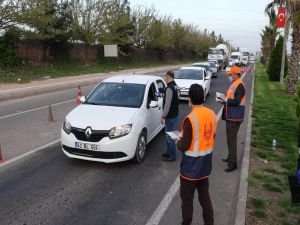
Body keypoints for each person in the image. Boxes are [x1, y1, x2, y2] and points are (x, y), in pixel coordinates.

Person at [177, 84, 217, 225]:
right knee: (204, 198)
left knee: (187, 201)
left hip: (190, 169)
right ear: (203, 97)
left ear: (190, 99)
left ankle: (186, 223)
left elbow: (184, 145)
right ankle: (209, 222)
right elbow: (212, 136)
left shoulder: (190, 119)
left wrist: (178, 141)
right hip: (205, 166)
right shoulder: (212, 114)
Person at [219, 66, 246, 172]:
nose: (230, 76)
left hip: (235, 116)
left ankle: (233, 163)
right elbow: (231, 98)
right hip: (231, 115)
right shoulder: (235, 83)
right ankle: (230, 157)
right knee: (230, 139)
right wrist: (224, 100)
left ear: (236, 74)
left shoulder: (240, 85)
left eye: (231, 74)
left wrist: (225, 99)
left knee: (232, 139)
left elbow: (236, 102)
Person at [161, 70, 179, 161]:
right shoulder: (175, 86)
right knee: (171, 135)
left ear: (168, 76)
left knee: (170, 137)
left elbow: (167, 105)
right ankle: (169, 152)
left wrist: (163, 116)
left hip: (170, 116)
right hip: (175, 114)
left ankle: (172, 156)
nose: (165, 78)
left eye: (165, 77)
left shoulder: (169, 88)